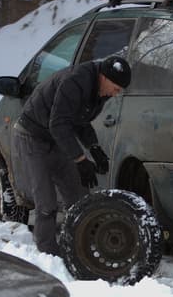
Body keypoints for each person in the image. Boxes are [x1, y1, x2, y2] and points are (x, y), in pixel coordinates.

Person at [11, 55, 132, 256]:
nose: (116, 94)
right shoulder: (75, 81)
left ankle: (82, 246)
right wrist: (80, 160)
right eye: (116, 88)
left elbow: (80, 121)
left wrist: (94, 148)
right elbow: (58, 124)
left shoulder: (100, 91)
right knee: (46, 201)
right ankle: (47, 253)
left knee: (78, 194)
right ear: (104, 77)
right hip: (31, 136)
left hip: (56, 138)